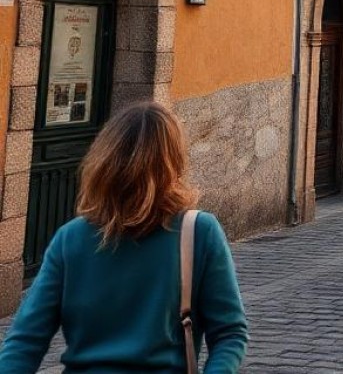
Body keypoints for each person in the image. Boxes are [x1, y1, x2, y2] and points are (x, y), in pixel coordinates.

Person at [0, 101, 248, 372]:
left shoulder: (70, 238)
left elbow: (24, 342)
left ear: (103, 161)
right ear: (173, 163)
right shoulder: (199, 231)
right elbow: (229, 334)